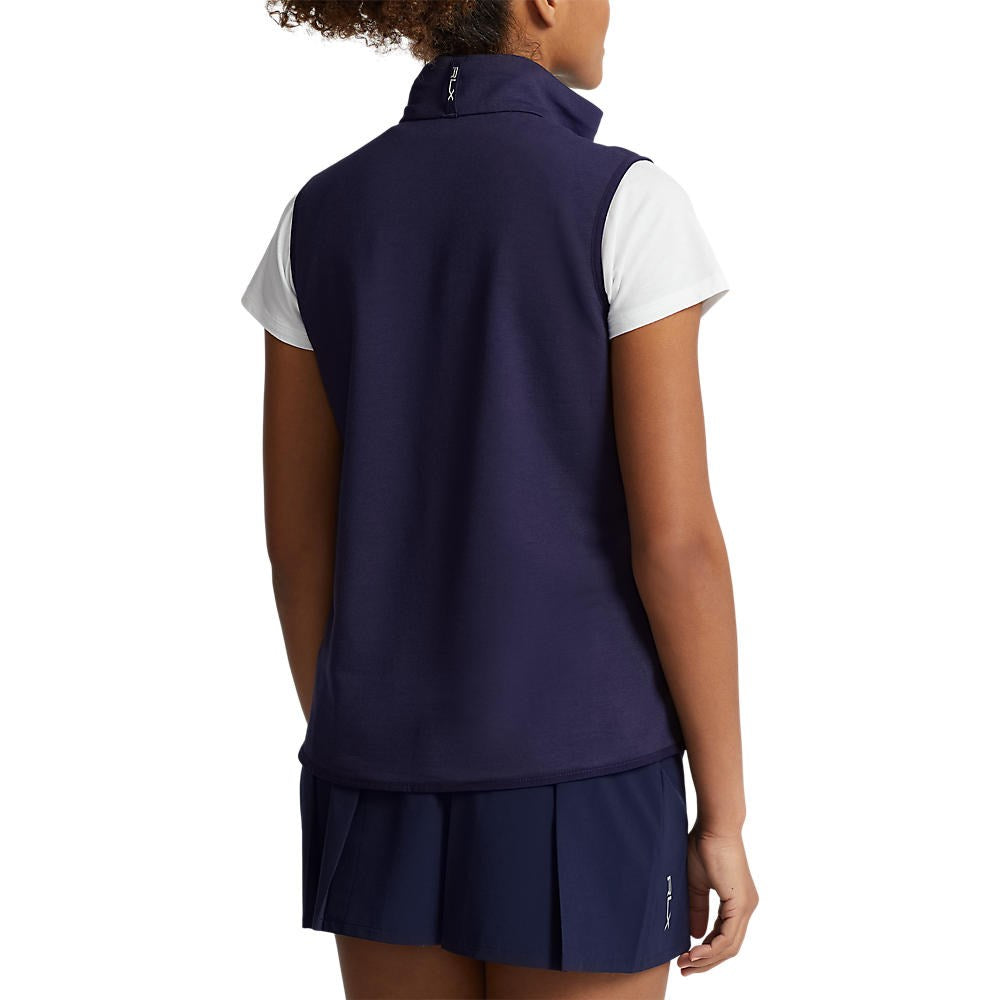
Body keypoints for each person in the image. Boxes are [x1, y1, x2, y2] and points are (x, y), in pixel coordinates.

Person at [240, 1, 757, 997]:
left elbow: (297, 545)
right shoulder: (625, 202)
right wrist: (723, 816)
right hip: (586, 769)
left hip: (375, 776)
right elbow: (677, 544)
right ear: (541, 0)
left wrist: (365, 736)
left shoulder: (318, 213)